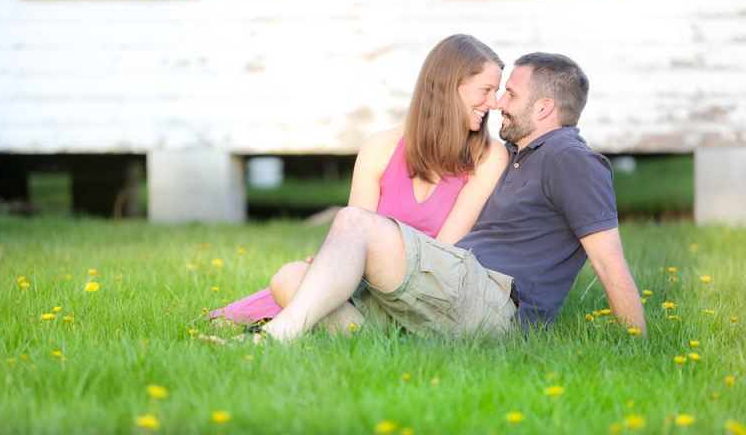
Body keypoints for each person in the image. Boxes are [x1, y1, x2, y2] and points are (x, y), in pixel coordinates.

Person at [258, 51, 647, 343]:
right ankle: (385, 348)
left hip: (495, 303)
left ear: (544, 108)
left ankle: (270, 340)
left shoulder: (572, 161)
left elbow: (608, 259)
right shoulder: (515, 157)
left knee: (354, 221)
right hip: (454, 292)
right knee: (289, 278)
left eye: (510, 94)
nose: (498, 104)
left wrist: (637, 346)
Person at [207, 34, 510, 328]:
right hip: (364, 289)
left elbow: (444, 255)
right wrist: (332, 262)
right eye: (486, 90)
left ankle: (323, 325)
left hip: (425, 293)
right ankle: (358, 331)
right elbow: (351, 235)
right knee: (286, 278)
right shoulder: (380, 147)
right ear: (449, 86)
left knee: (301, 290)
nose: (494, 103)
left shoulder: (488, 156)